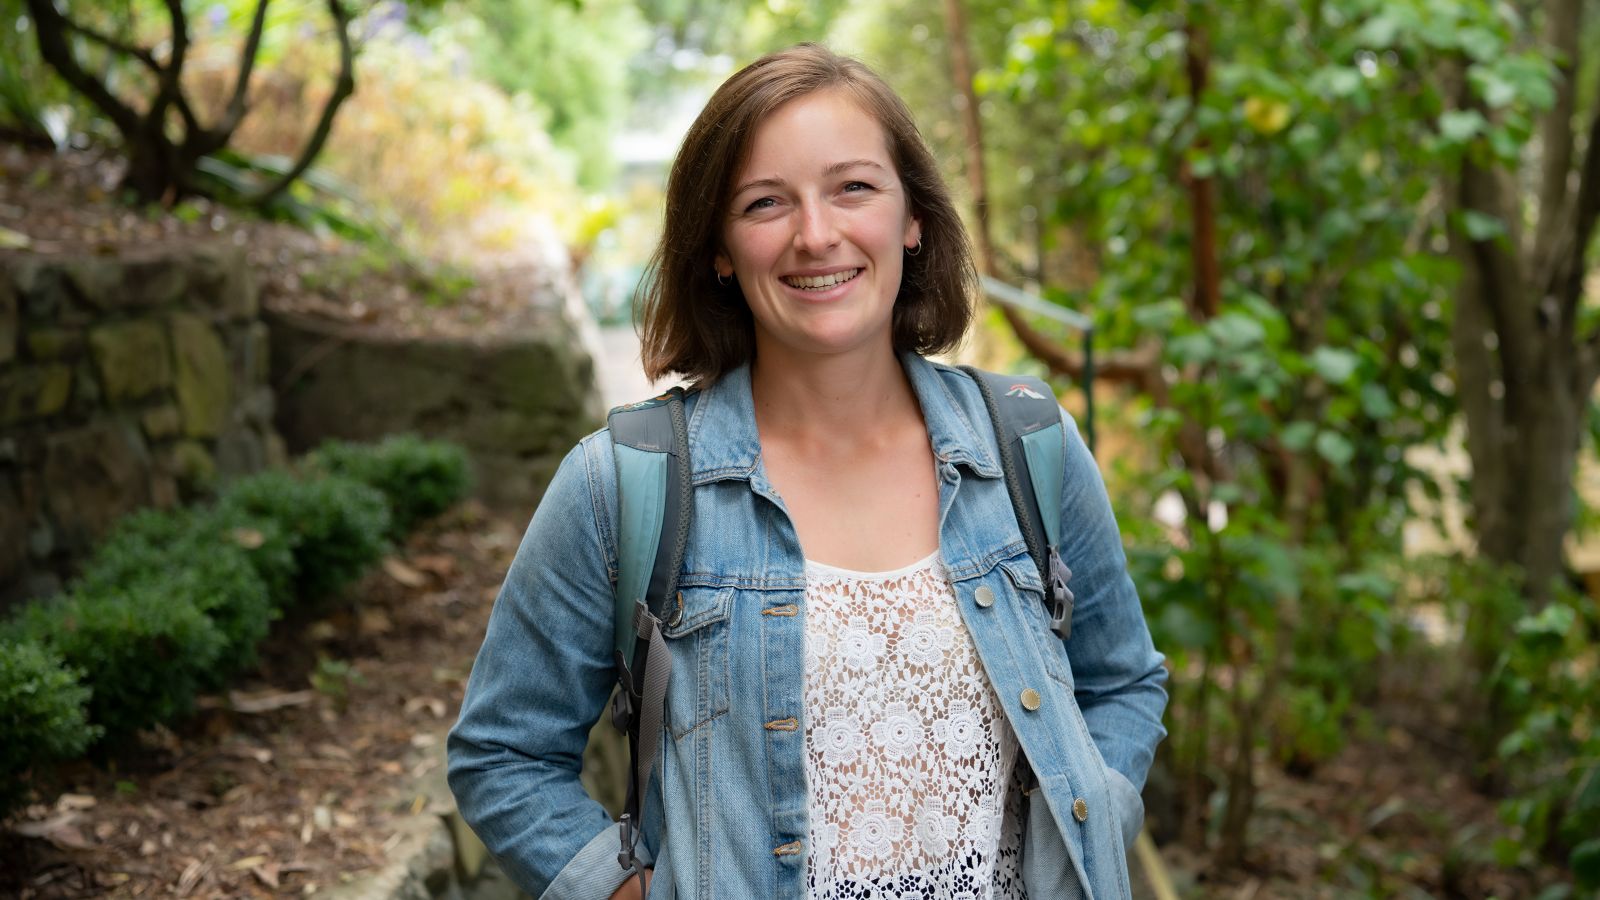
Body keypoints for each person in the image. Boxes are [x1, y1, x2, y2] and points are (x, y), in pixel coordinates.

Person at [447, 43, 1167, 900]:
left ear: (913, 218)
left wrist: (1091, 821)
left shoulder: (1028, 442)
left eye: (853, 188)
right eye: (764, 203)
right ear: (718, 247)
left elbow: (1122, 681)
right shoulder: (622, 484)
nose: (815, 234)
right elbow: (503, 752)